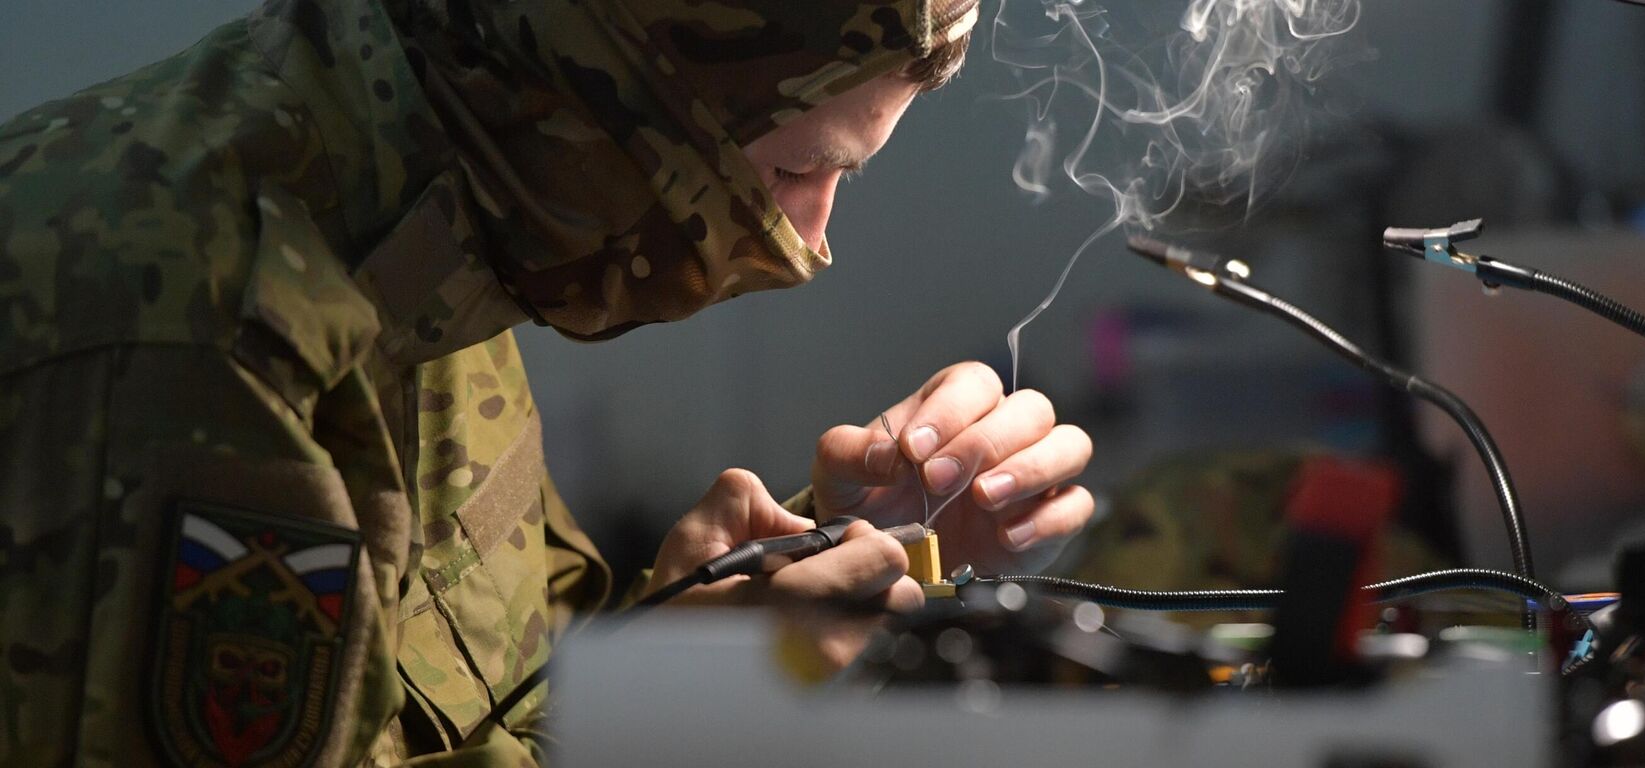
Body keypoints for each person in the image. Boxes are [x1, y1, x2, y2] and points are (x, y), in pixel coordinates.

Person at [0, 0, 1095, 763]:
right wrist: (665, 711)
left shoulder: (428, 220)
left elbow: (479, 707)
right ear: (612, 93)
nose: (810, 239)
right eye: (796, 171)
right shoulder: (203, 324)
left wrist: (794, 572)